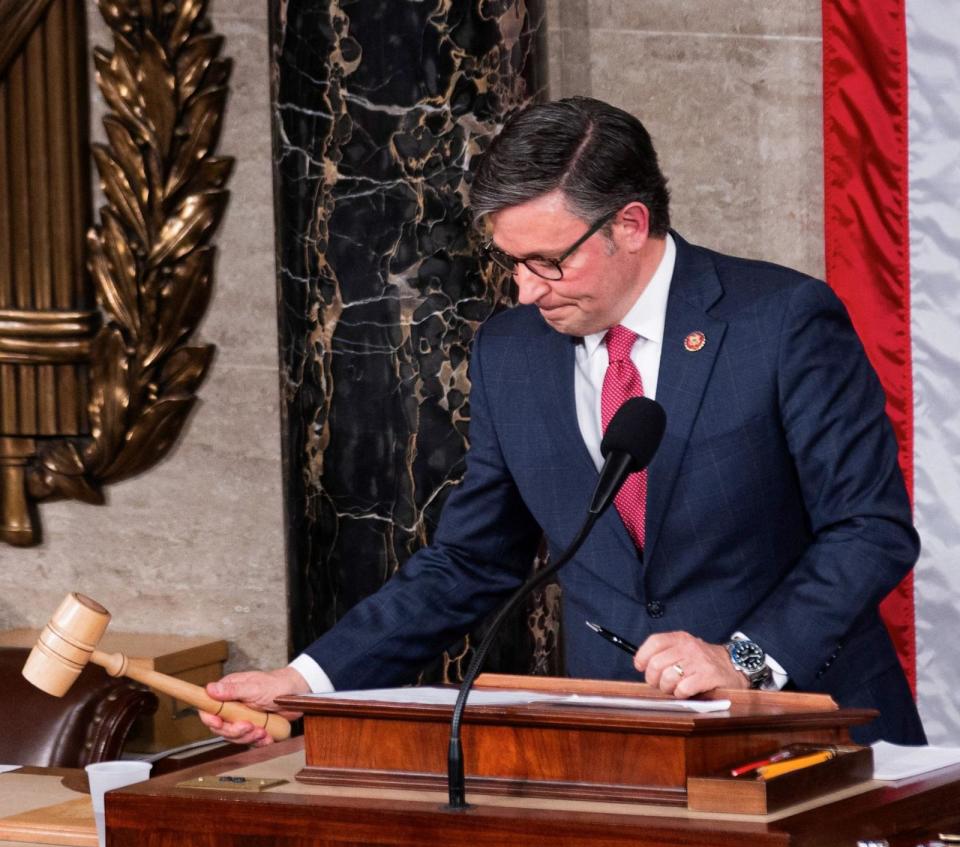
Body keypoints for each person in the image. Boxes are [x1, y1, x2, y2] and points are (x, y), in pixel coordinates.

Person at [202, 97, 925, 747]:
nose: (525, 289)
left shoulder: (780, 322)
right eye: (511, 262)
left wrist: (740, 658)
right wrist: (309, 680)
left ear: (631, 225)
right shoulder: (510, 354)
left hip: (812, 729)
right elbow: (470, 561)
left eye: (548, 261)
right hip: (615, 741)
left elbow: (870, 528)